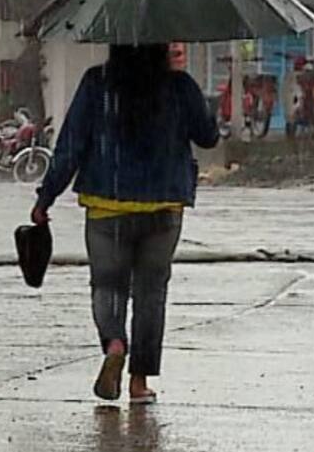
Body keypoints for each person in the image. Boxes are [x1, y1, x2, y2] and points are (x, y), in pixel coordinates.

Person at [31, 44, 220, 405]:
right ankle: (139, 382)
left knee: (107, 285)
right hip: (163, 206)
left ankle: (115, 344)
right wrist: (186, 86)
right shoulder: (179, 86)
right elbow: (208, 136)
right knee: (151, 293)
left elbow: (71, 145)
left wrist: (45, 198)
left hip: (107, 204)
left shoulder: (97, 83)